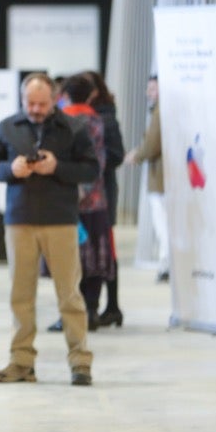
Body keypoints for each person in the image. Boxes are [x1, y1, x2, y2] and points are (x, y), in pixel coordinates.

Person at [0, 72, 98, 387]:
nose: (35, 109)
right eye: (30, 103)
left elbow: (92, 168)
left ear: (54, 99)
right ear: (22, 100)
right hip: (19, 220)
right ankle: (21, 362)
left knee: (69, 295)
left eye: (42, 103)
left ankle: (80, 362)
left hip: (61, 220)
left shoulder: (74, 127)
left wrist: (57, 167)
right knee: (21, 295)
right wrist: (12, 169)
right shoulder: (8, 127)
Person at [59, 74, 115, 330]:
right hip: (96, 201)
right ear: (91, 95)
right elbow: (100, 161)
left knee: (70, 260)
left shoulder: (60, 120)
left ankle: (70, 314)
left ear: (65, 94)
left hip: (67, 201)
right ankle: (91, 310)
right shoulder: (97, 120)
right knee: (95, 257)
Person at [84, 70, 126, 325]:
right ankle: (106, 306)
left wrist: (94, 162)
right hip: (93, 192)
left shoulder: (106, 118)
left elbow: (117, 155)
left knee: (107, 250)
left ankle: (111, 306)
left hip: (103, 193)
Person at [125, 75, 168, 282]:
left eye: (152, 89)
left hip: (161, 178)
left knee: (163, 224)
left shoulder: (161, 112)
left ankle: (165, 265)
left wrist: (137, 155)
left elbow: (152, 144)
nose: (148, 93)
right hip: (167, 177)